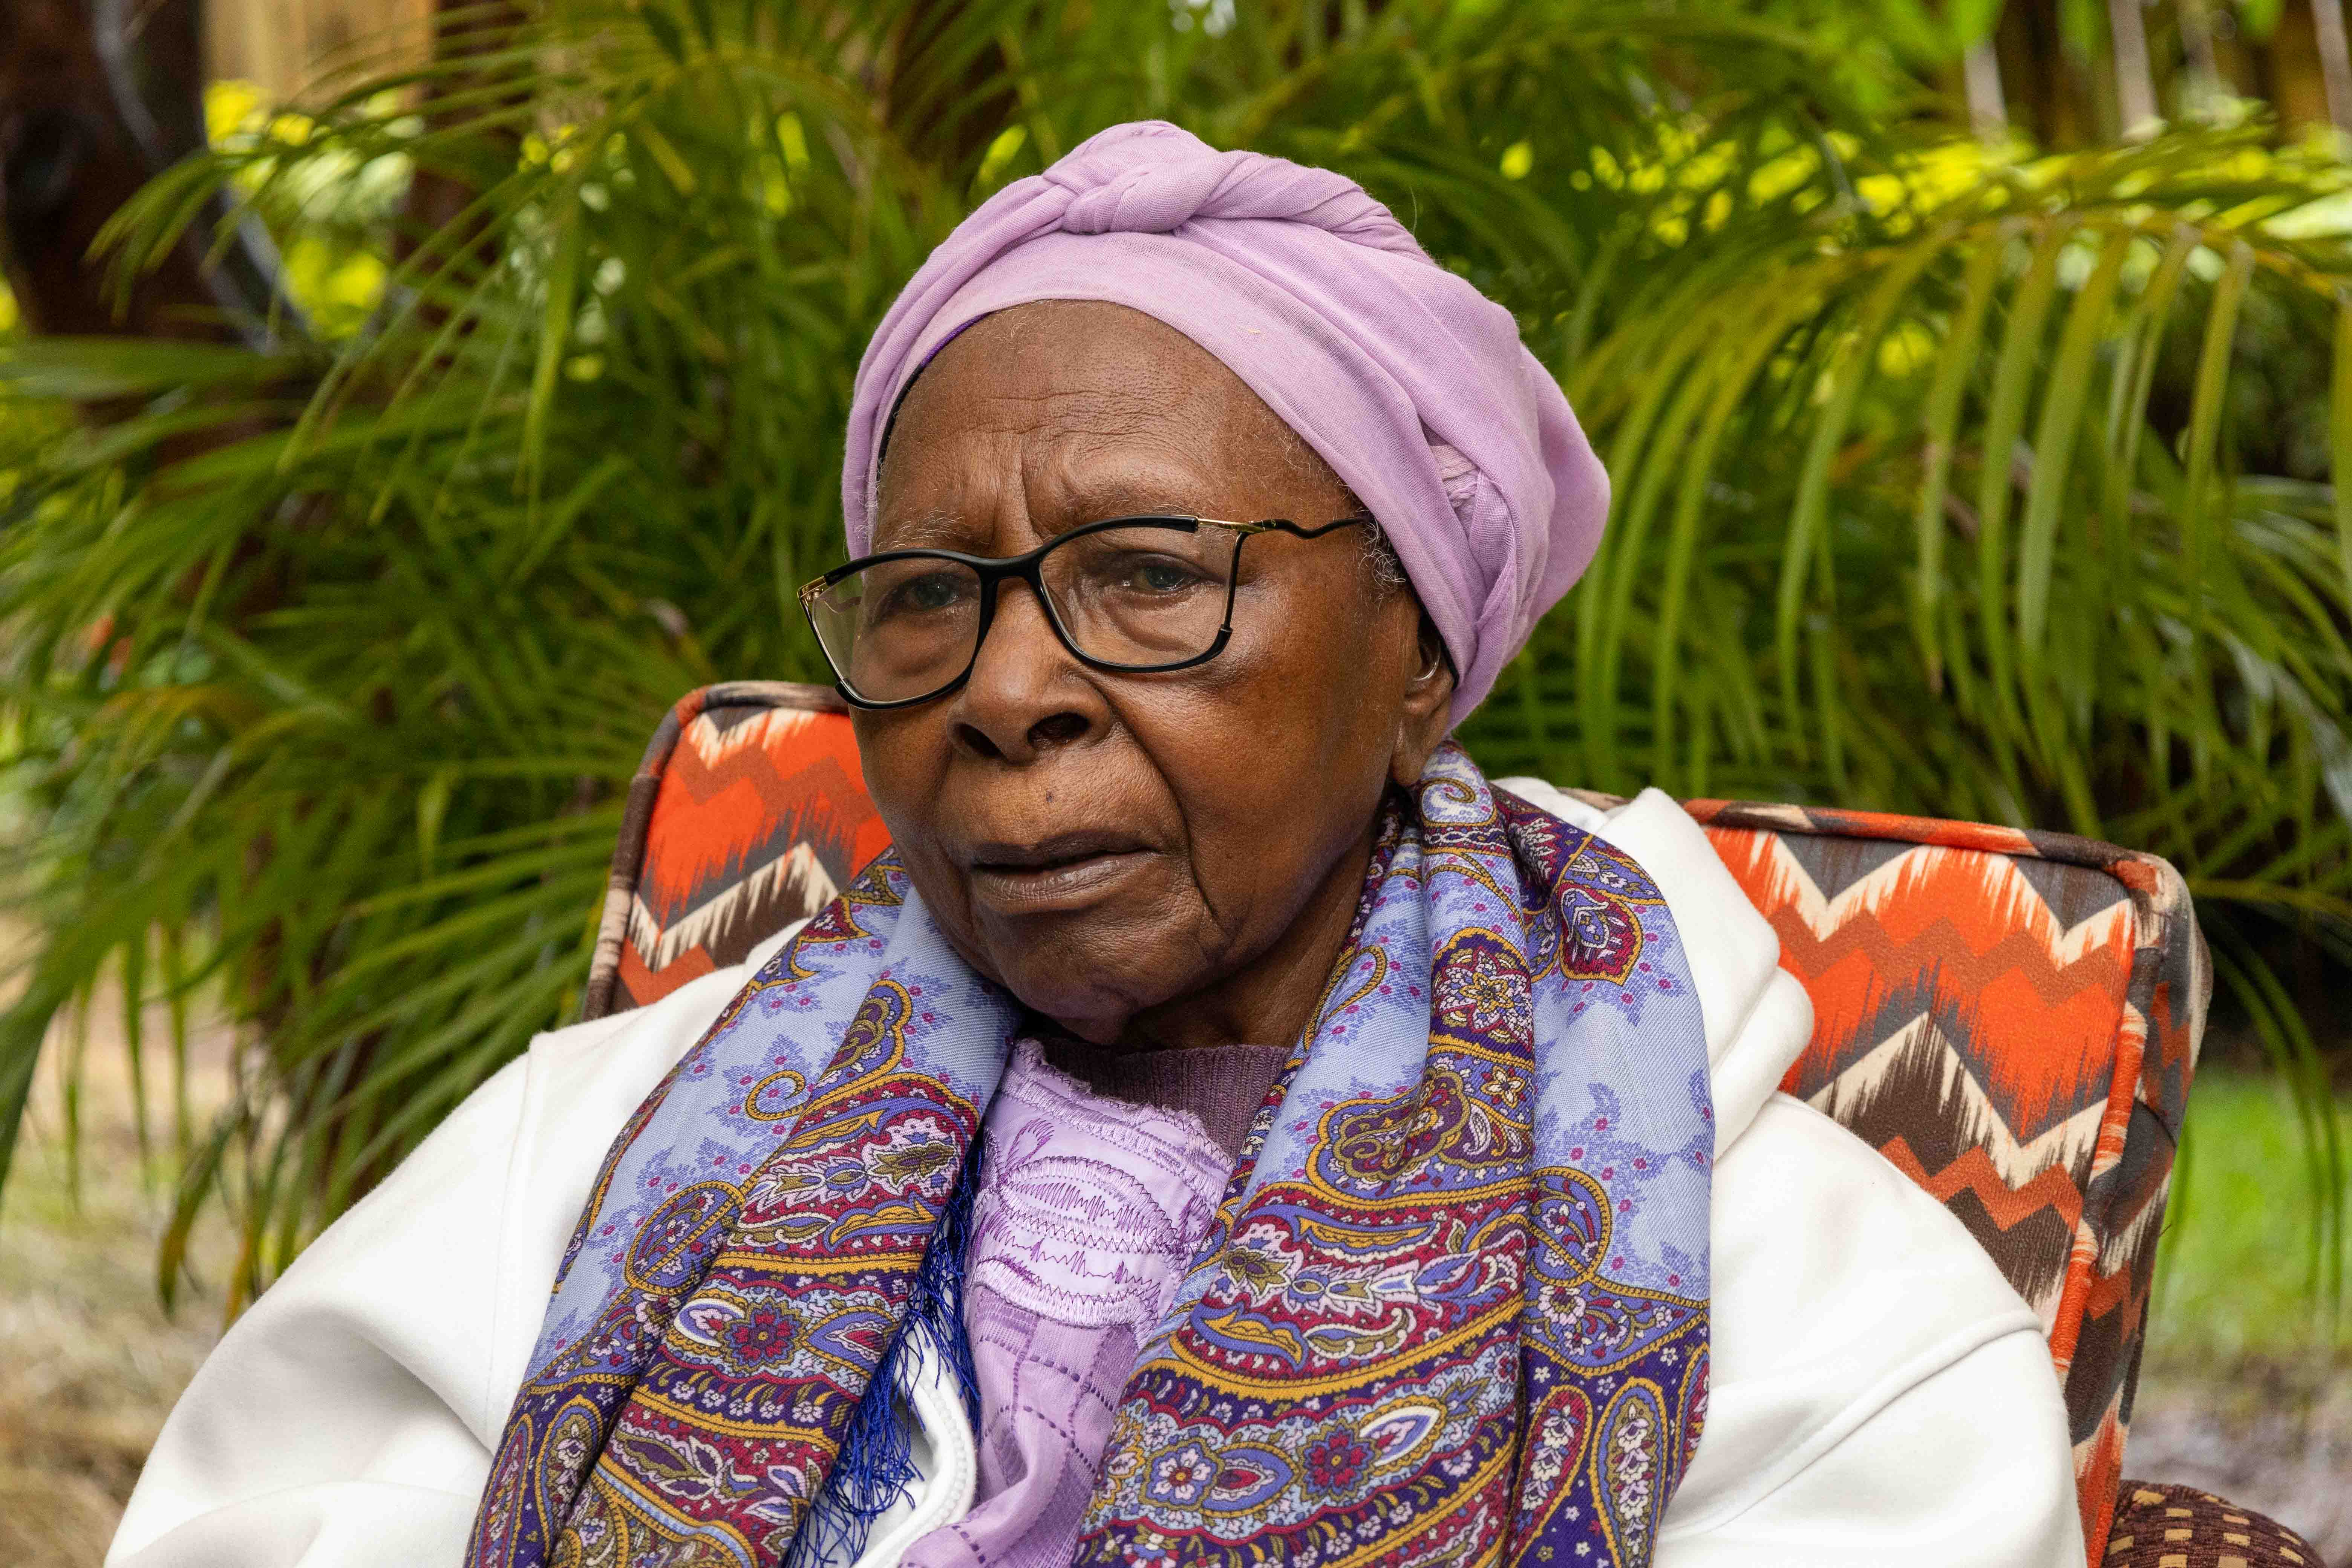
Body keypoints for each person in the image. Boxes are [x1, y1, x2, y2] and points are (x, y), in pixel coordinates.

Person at [107, 122, 2081, 1568]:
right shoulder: (603, 1151)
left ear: (1412, 658)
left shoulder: (1791, 1306)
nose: (1006, 690)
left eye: (1148, 575)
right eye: (925, 599)